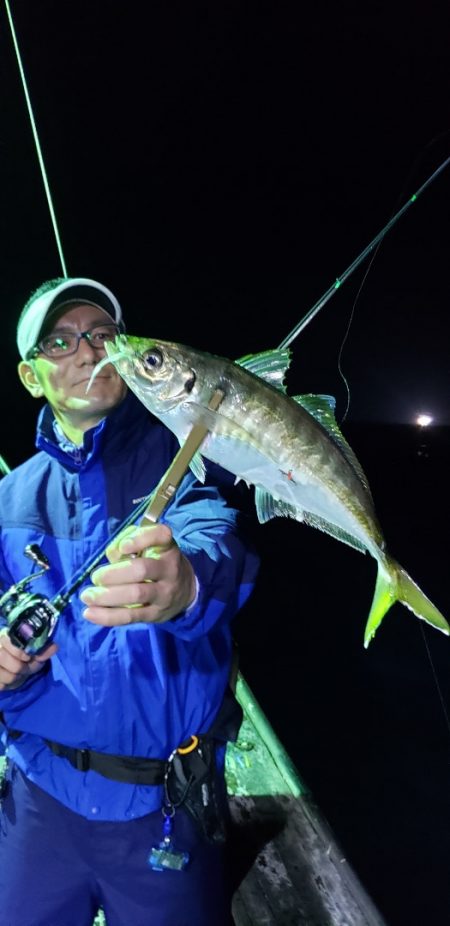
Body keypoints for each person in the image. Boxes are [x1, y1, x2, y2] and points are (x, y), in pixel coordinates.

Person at [0, 277, 259, 926]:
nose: (88, 351)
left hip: (160, 810)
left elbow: (218, 548)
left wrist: (187, 586)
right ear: (32, 377)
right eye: (60, 341)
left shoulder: (188, 457)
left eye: (103, 336)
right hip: (37, 800)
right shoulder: (10, 500)